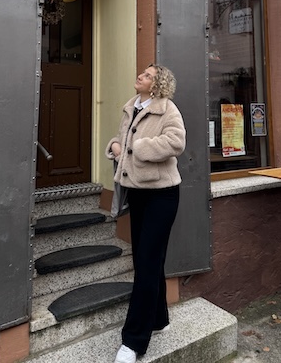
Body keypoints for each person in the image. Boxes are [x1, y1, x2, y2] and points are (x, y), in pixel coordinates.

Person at [106, 64, 186, 363]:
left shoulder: (167, 109)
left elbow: (176, 142)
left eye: (148, 75)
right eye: (142, 72)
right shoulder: (132, 107)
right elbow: (122, 140)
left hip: (162, 195)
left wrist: (137, 148)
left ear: (157, 84)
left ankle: (133, 341)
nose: (140, 75)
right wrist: (116, 145)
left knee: (147, 262)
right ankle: (159, 318)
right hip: (137, 193)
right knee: (147, 259)